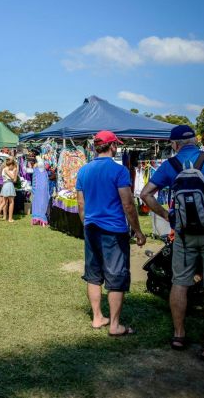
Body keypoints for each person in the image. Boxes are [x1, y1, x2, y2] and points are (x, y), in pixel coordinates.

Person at [141, 125, 204, 361]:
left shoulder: (169, 165)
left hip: (183, 234)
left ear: (174, 144)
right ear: (195, 141)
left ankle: (179, 335)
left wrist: (167, 216)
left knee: (180, 282)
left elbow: (146, 193)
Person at [76, 130, 145, 337]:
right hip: (113, 230)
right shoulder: (119, 171)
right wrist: (138, 230)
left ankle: (97, 317)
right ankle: (115, 325)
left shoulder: (84, 171)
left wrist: (86, 224)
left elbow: (81, 203)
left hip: (91, 228)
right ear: (113, 146)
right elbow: (128, 203)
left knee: (93, 274)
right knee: (116, 275)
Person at [0, 157, 18, 223]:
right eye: (13, 166)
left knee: (4, 202)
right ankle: (10, 219)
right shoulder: (6, 169)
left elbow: (15, 180)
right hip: (8, 184)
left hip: (6, 185)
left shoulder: (6, 169)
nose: (13, 167)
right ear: (11, 165)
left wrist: (15, 172)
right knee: (11, 202)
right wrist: (14, 171)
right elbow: (13, 178)